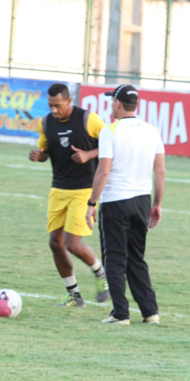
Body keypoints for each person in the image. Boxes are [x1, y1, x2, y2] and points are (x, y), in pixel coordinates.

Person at [86, 85, 165, 325]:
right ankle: (150, 313)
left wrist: (92, 203)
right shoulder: (152, 130)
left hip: (116, 201)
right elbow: (159, 171)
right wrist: (157, 204)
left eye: (112, 101)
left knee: (115, 257)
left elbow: (103, 172)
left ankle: (120, 313)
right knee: (136, 258)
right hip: (142, 200)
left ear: (118, 104)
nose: (111, 105)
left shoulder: (111, 131)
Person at [29, 83, 110, 307]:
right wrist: (38, 155)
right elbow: (46, 152)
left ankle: (102, 275)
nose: (54, 111)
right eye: (50, 106)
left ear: (69, 101)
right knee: (55, 243)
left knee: (72, 244)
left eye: (58, 106)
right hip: (58, 189)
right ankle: (74, 294)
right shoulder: (45, 123)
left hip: (84, 190)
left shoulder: (89, 120)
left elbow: (113, 145)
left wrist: (89, 154)